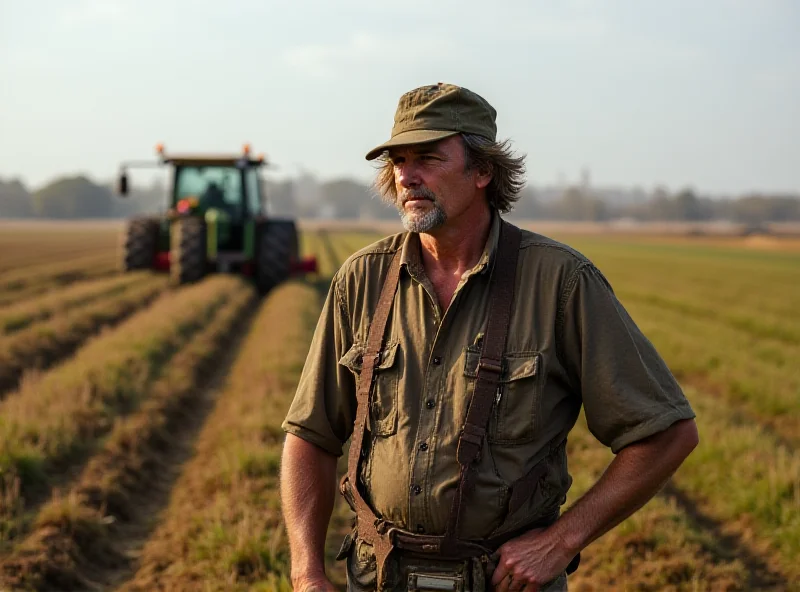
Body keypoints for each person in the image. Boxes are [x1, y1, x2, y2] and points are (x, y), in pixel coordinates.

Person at [280, 83, 699, 592]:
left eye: (429, 158)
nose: (407, 175)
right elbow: (310, 436)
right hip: (378, 579)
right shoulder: (362, 279)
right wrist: (306, 573)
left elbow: (665, 433)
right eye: (398, 160)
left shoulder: (560, 283)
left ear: (482, 171)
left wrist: (561, 542)